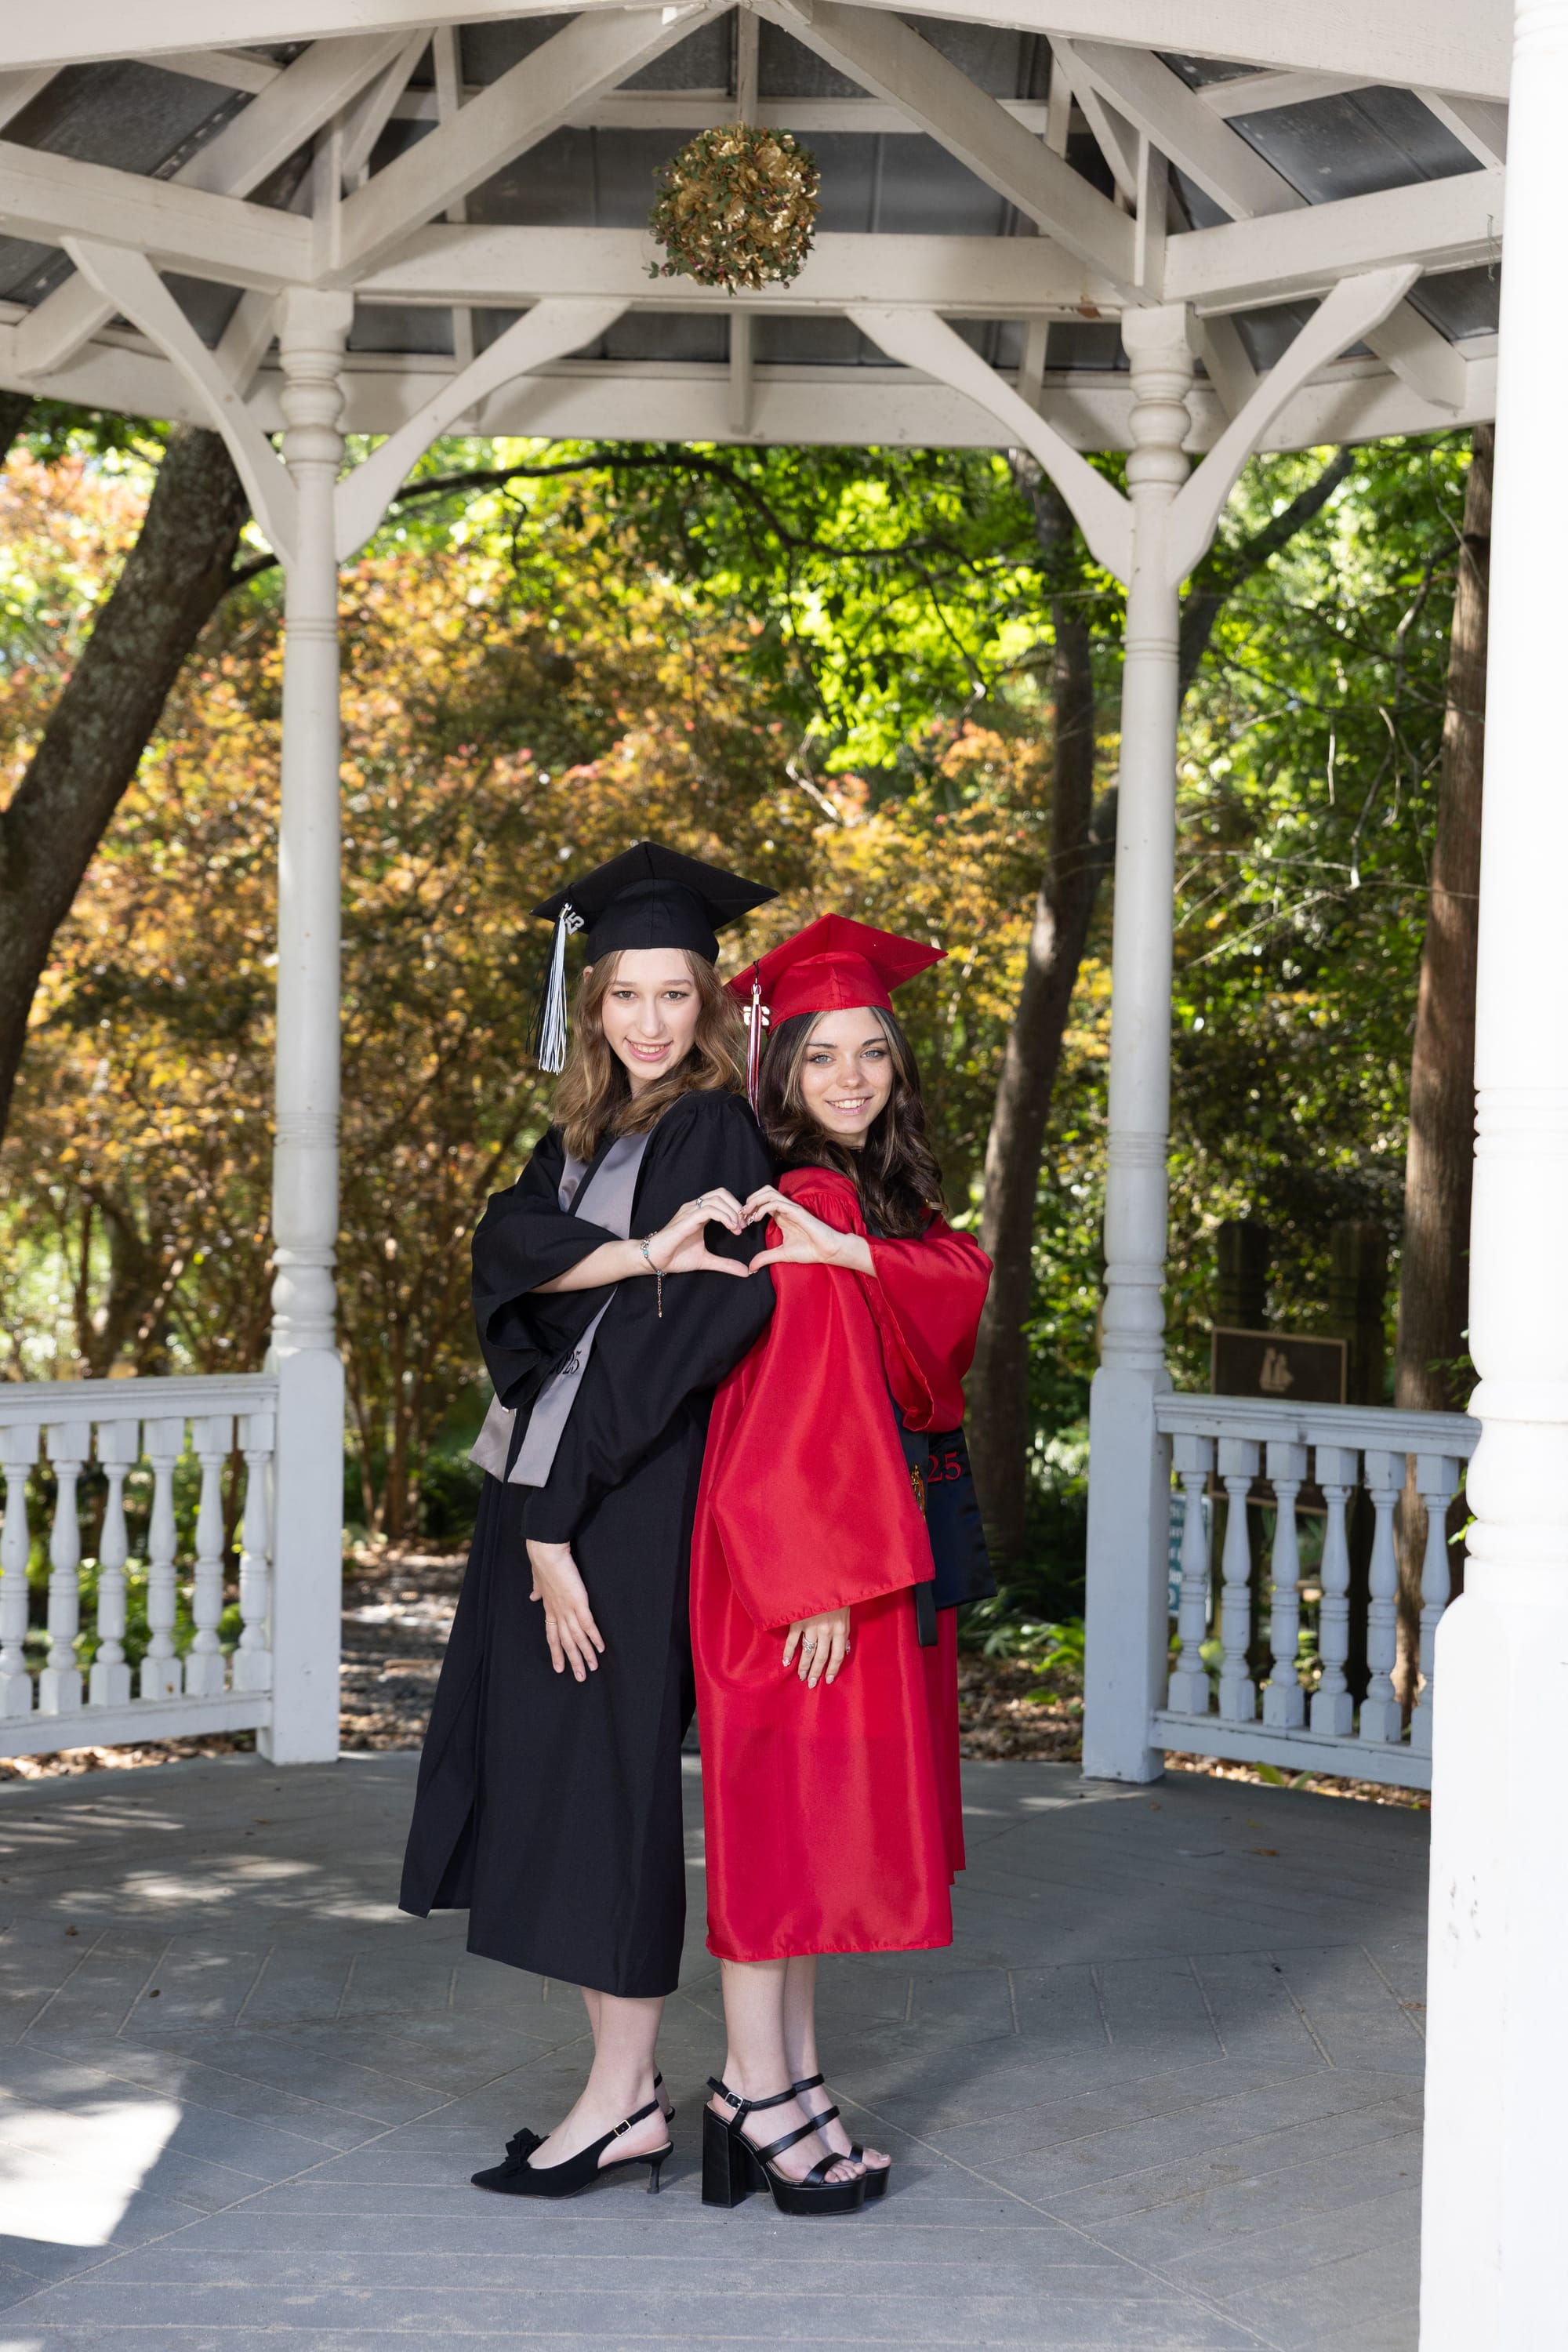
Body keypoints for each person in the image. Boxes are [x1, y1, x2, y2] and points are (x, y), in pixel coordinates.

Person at [400, 841, 778, 2201]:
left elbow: (691, 1328)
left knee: (606, 1785)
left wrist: (559, 1521)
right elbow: (507, 1252)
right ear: (593, 999)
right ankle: (620, 2093)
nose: (650, 1020)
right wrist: (631, 1252)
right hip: (544, 1490)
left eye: (676, 993)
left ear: (710, 1003)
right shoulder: (578, 1139)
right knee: (557, 1777)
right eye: (626, 992)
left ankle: (624, 2101)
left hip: (621, 1499)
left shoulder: (714, 1129)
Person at [690, 913, 995, 2216]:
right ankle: (753, 2092)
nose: (852, 1077)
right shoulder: (805, 1196)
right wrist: (815, 1574)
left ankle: (790, 2082)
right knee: (776, 1834)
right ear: (782, 1069)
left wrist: (868, 1251)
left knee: (807, 1839)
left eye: (871, 1051)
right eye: (822, 1056)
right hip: (803, 1560)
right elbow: (789, 1398)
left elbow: (956, 1282)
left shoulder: (865, 1201)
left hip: (849, 1550)